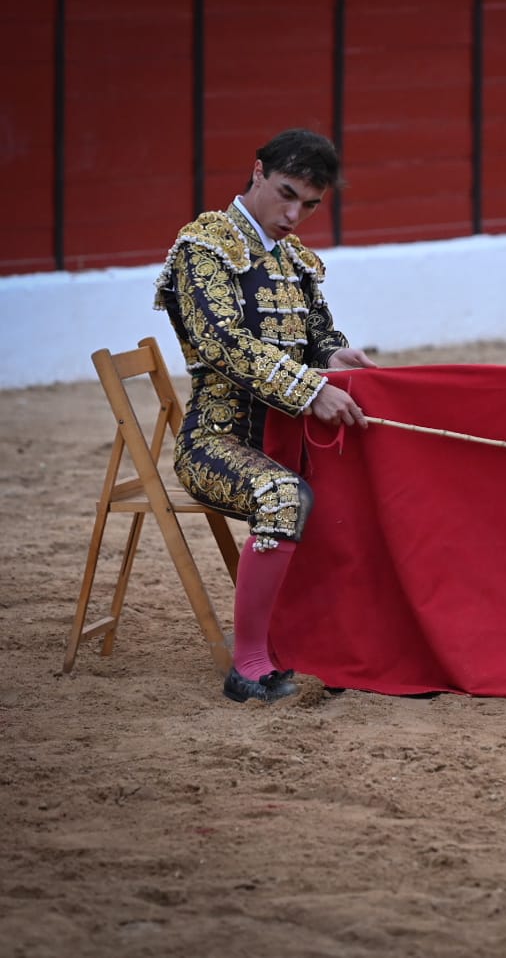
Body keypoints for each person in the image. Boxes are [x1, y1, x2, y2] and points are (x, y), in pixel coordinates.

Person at [155, 127, 375, 704]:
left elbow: (320, 335)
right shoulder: (203, 248)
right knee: (283, 495)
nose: (295, 214)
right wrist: (308, 389)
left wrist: (333, 356)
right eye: (285, 194)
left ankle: (338, 635)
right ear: (257, 172)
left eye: (309, 204)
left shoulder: (296, 259)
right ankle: (248, 663)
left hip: (286, 435)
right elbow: (222, 343)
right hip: (217, 440)